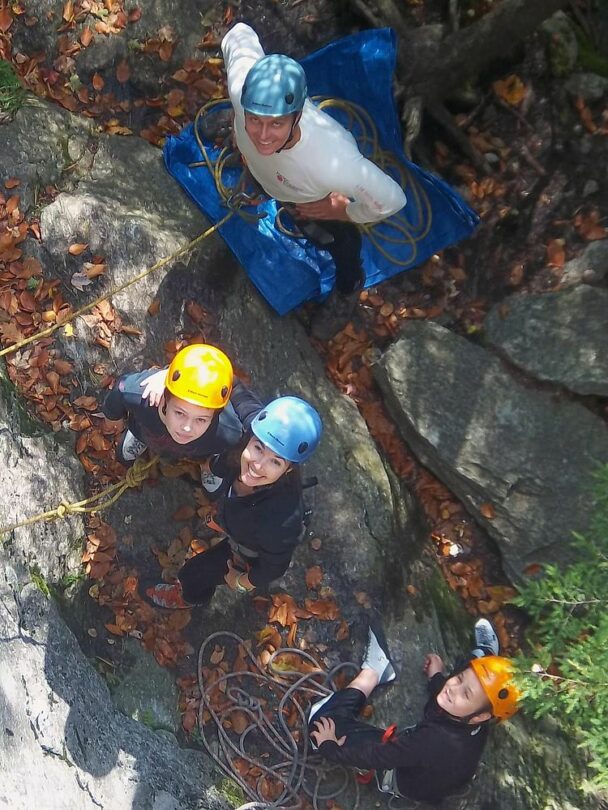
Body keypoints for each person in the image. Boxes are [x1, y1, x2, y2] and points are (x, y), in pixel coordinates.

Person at [219, 23, 407, 333]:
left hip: (307, 200)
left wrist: (342, 211)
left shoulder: (334, 163)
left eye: (276, 124)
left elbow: (392, 199)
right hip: (278, 182)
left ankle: (350, 284)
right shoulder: (241, 91)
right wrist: (243, 142)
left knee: (338, 241)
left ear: (296, 116)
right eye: (254, 120)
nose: (263, 137)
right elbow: (239, 34)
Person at [308, 617, 520, 805]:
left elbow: (378, 756)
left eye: (465, 694)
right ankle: (485, 654)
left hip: (405, 777)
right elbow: (459, 689)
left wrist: (330, 747)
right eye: (458, 679)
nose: (452, 688)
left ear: (482, 717)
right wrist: (436, 677)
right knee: (467, 678)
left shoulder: (434, 741)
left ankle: (374, 672)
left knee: (319, 725)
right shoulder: (474, 717)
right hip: (438, 766)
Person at [146, 395, 323, 609]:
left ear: (289, 469)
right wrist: (165, 384)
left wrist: (242, 581)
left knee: (195, 573)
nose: (258, 465)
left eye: (275, 462)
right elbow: (234, 389)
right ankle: (223, 521)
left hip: (247, 548)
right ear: (252, 435)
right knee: (228, 507)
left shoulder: (281, 522)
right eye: (258, 448)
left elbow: (273, 566)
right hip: (237, 516)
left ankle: (188, 596)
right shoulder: (257, 428)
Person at [102, 343, 261, 469]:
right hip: (146, 429)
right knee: (139, 438)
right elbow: (120, 389)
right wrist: (113, 416)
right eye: (180, 413)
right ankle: (140, 439)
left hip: (190, 449)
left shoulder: (228, 433)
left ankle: (164, 450)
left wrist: (214, 467)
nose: (187, 428)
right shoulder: (142, 397)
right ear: (164, 397)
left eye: (201, 420)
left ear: (215, 415)